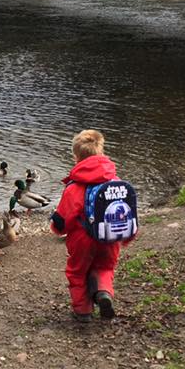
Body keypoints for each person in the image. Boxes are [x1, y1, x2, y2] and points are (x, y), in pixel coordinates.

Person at [50, 129, 124, 322]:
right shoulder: (115, 181)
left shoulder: (74, 187)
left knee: (77, 271)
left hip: (83, 238)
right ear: (101, 152)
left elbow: (62, 222)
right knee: (105, 267)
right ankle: (104, 292)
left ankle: (83, 311)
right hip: (110, 236)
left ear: (76, 157)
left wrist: (56, 228)